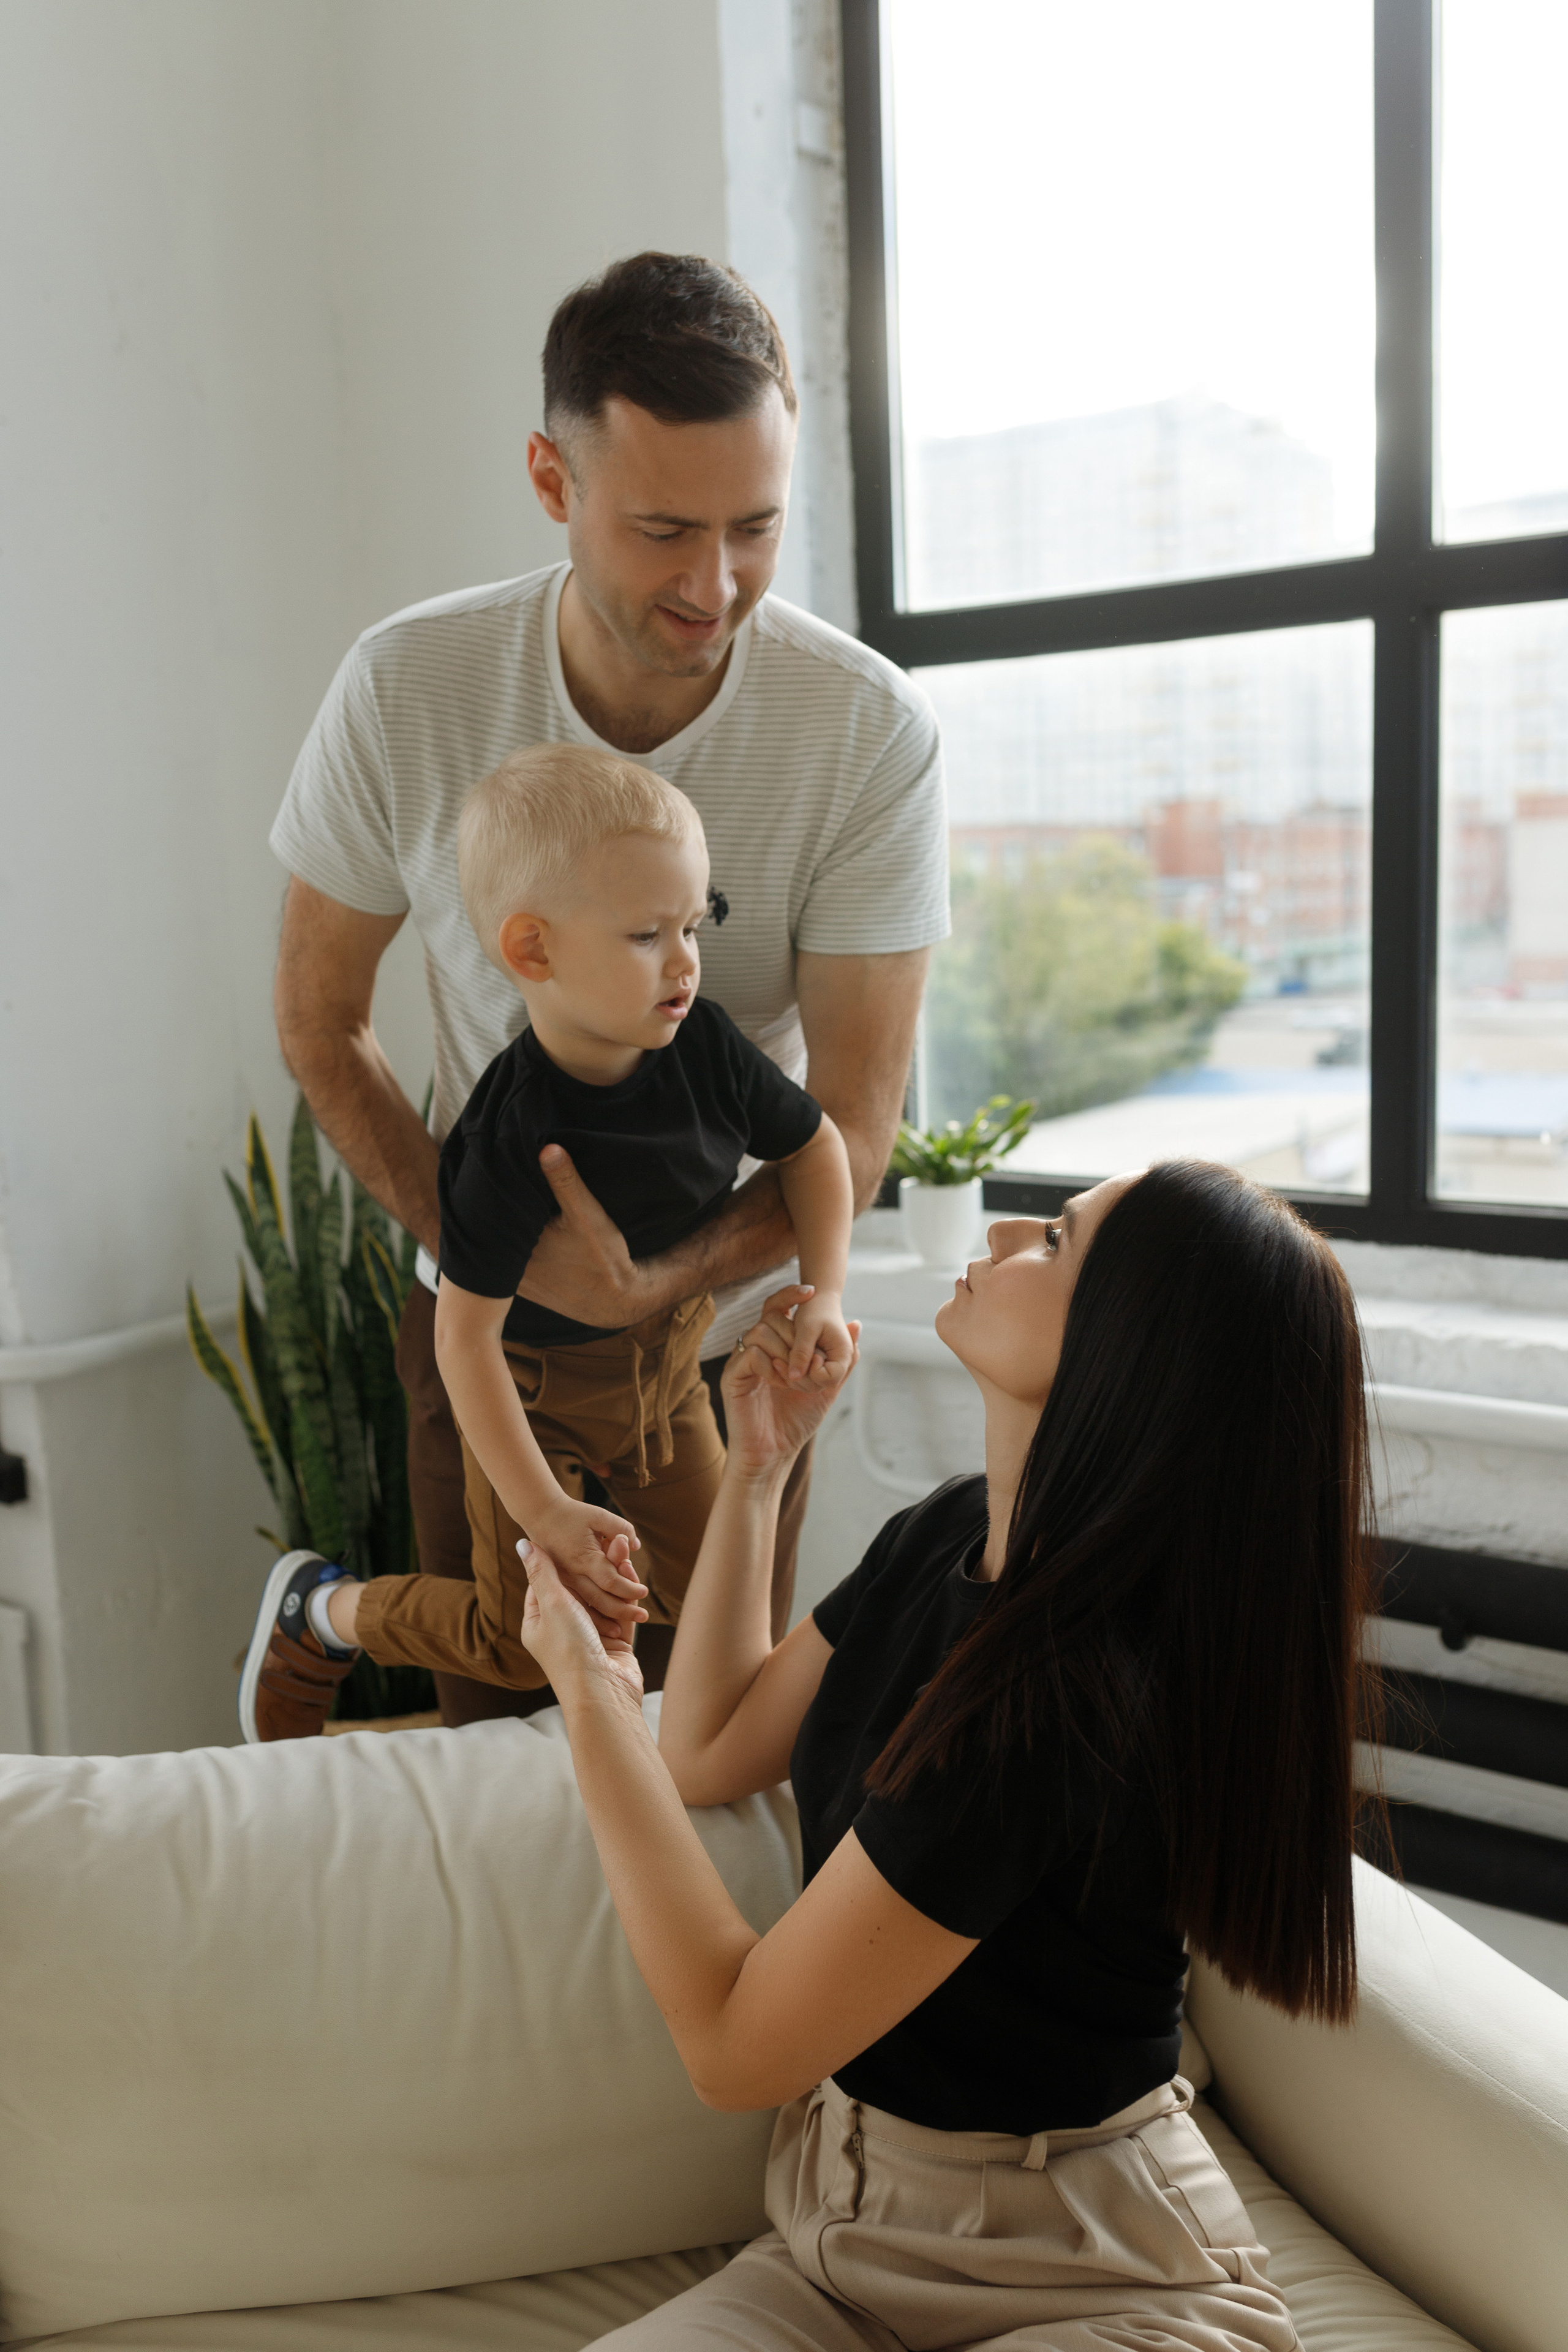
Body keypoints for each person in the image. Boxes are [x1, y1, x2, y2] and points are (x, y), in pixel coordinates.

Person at [515, 1159, 1378, 2350]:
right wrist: (758, 1471)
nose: (1011, 1227)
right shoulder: (946, 1534)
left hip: (1091, 2276)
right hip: (839, 2242)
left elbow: (732, 2051)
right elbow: (706, 1749)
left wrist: (589, 1689)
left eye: (1058, 1240)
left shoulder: (1057, 1699)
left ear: (1126, 1353)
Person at [270, 252, 948, 1727]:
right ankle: (324, 1612)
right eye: (662, 531)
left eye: (755, 527)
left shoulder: (866, 733)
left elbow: (851, 1121)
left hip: (727, 1361)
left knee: (710, 1749)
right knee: (508, 1744)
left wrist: (663, 1284)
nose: (715, 587)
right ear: (550, 480)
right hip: (488, 1351)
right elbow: (320, 1023)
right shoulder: (406, 688)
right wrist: (490, 1258)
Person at [238, 747, 854, 1741]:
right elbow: (463, 1341)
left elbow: (817, 1147)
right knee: (517, 1637)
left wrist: (826, 1291)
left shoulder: (705, 1046)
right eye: (647, 935)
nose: (685, 962)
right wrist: (545, 1512)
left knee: (719, 1598)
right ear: (533, 951)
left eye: (695, 924)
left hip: (665, 1370)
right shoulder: (508, 1136)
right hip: (530, 1390)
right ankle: (327, 1610)